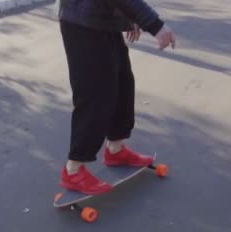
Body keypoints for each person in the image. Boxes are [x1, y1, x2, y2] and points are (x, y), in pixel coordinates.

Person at [56, 0, 176, 195]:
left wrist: (130, 18)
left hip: (102, 21)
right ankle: (73, 169)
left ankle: (116, 150)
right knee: (95, 95)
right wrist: (155, 25)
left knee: (122, 84)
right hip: (81, 23)